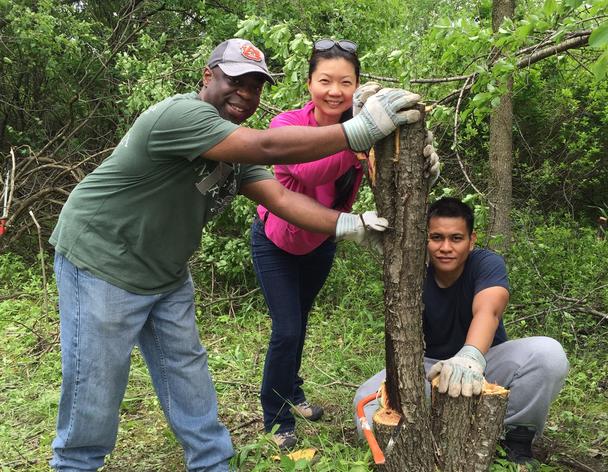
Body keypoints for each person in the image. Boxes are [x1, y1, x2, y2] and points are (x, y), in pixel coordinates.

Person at [48, 37, 422, 472]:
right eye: (235, 81)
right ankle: (75, 465)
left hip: (165, 272)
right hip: (101, 263)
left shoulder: (232, 148)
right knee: (96, 382)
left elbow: (280, 198)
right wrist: (354, 132)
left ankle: (211, 463)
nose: (246, 94)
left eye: (255, 86)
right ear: (208, 76)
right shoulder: (183, 115)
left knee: (186, 372)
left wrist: (351, 226)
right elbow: (268, 147)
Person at [250, 39, 441, 450]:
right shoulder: (286, 126)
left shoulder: (365, 126)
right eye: (325, 81)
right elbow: (308, 171)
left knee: (300, 322)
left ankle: (293, 391)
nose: (335, 91)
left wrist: (420, 157)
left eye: (345, 82)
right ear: (309, 84)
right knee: (286, 330)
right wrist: (359, 136)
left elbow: (394, 175)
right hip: (276, 243)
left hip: (322, 241)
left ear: (356, 85)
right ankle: (276, 416)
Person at [353, 197, 569, 466]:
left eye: (456, 238)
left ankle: (515, 440)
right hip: (425, 369)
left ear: (471, 240)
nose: (445, 247)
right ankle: (416, 446)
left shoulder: (486, 263)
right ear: (425, 239)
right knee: (365, 399)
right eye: (436, 237)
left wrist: (471, 356)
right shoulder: (410, 270)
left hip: (484, 361)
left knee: (548, 354)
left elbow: (488, 309)